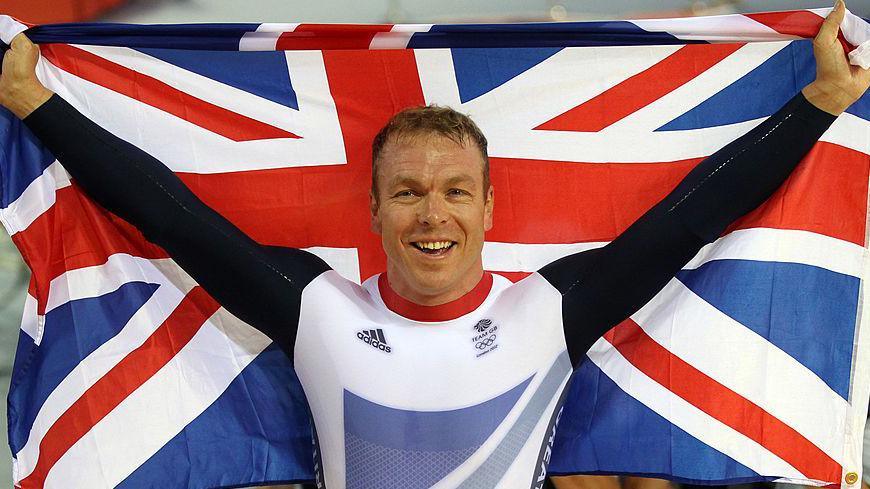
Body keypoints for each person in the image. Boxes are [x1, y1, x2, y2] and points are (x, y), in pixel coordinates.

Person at [1, 2, 868, 488]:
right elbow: (173, 216)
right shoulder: (316, 307)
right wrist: (39, 107)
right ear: (373, 213)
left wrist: (822, 101)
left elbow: (692, 215)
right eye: (407, 193)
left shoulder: (548, 309)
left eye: (455, 192)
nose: (431, 216)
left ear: (490, 208)